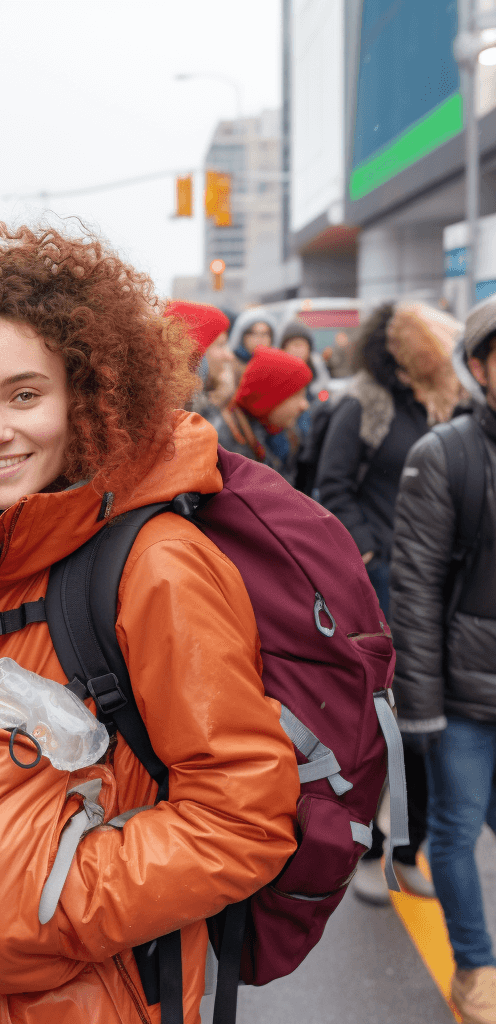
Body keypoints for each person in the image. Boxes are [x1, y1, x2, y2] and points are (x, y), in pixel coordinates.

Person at [0, 220, 300, 1024]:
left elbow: (242, 818)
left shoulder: (154, 565)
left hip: (92, 995)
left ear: (85, 396)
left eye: (24, 394)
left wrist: (45, 897)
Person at [316, 301, 465, 904]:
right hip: (382, 590)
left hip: (439, 588)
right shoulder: (365, 403)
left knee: (429, 721)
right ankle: (368, 851)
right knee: (383, 724)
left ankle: (408, 850)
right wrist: (371, 557)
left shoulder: (442, 400)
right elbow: (332, 488)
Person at [390, 298, 496, 1024]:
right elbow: (417, 588)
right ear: (482, 366)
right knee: (456, 831)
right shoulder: (445, 455)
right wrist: (419, 704)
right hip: (463, 690)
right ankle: (477, 969)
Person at [204, 345, 311, 483]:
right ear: (271, 397)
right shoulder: (224, 448)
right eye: (297, 395)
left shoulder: (285, 436)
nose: (304, 405)